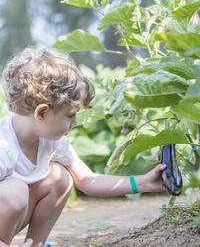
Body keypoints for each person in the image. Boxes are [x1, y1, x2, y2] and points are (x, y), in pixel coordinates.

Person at [0, 47, 166, 247]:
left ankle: (36, 244)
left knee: (60, 177)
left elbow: (87, 180)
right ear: (41, 114)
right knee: (15, 190)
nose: (75, 122)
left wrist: (143, 183)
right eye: (70, 115)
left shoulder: (52, 139)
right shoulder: (4, 148)